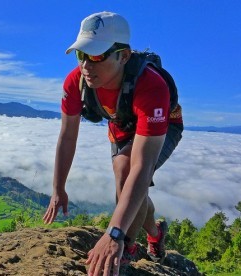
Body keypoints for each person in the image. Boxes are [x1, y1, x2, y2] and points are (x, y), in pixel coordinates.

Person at [42, 11, 183, 276]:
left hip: (164, 125)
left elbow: (142, 164)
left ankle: (125, 253)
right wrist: (58, 188)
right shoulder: (77, 82)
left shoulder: (151, 87)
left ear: (124, 56)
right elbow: (67, 135)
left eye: (96, 55)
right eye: (81, 54)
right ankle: (155, 232)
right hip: (122, 126)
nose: (86, 65)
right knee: (129, 183)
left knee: (126, 171)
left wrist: (115, 235)